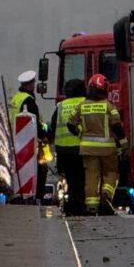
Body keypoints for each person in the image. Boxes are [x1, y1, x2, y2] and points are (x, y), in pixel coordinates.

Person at [67, 74, 124, 215]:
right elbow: (117, 127)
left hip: (87, 149)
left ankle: (92, 206)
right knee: (111, 173)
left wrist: (81, 133)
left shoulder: (82, 106)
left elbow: (70, 124)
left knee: (91, 177)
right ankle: (106, 196)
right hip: (108, 150)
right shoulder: (109, 107)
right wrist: (124, 145)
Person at [48, 78, 86, 215]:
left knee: (71, 179)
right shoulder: (85, 104)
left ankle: (72, 205)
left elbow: (53, 126)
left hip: (63, 150)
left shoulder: (61, 106)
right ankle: (81, 204)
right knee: (82, 178)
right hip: (82, 148)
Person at [11, 69, 48, 202]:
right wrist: (44, 136)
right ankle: (37, 197)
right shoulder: (29, 101)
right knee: (41, 168)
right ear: (30, 85)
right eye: (33, 83)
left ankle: (18, 194)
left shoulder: (16, 98)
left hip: (15, 140)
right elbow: (34, 123)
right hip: (27, 142)